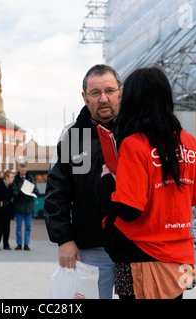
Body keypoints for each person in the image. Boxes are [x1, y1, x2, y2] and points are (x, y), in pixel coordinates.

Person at [101, 66, 196, 299]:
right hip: (182, 257)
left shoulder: (134, 144)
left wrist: (107, 181)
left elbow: (129, 209)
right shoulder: (187, 141)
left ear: (133, 101)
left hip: (141, 254)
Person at [44, 64, 123, 299]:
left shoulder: (135, 131)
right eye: (95, 93)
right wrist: (64, 240)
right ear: (84, 97)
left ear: (120, 91)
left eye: (109, 91)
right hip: (91, 247)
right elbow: (56, 190)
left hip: (137, 245)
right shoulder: (71, 135)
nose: (103, 98)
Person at [12, 162, 39, 251]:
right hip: (19, 206)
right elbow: (14, 192)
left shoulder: (30, 178)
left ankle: (26, 244)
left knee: (28, 227)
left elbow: (36, 189)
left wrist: (33, 192)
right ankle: (19, 244)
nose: (24, 172)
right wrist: (21, 193)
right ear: (19, 170)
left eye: (25, 170)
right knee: (18, 227)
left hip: (28, 206)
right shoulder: (15, 179)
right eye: (22, 170)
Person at [0, 170, 15, 250]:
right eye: (11, 177)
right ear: (6, 178)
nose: (13, 179)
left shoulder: (10, 187)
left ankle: (6, 244)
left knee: (6, 228)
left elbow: (11, 198)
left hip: (7, 211)